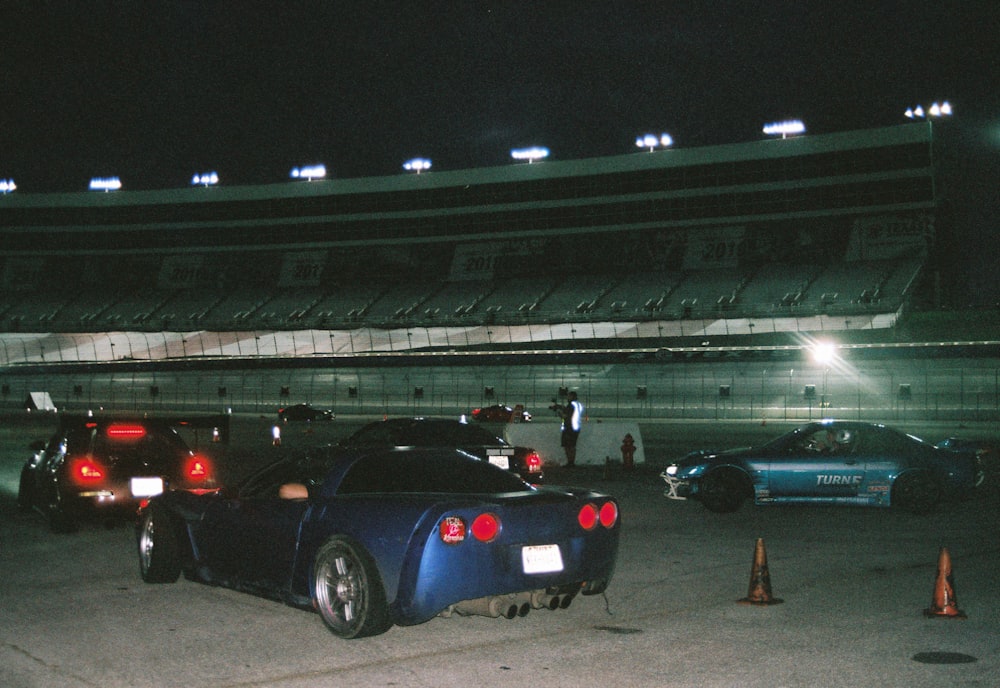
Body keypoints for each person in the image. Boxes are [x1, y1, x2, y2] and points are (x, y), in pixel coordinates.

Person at [559, 391, 584, 467]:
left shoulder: (570, 405)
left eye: (569, 396)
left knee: (568, 446)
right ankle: (571, 462)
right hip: (576, 428)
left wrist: (560, 414)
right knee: (572, 445)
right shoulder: (578, 405)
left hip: (569, 427)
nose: (567, 398)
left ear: (572, 397)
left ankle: (570, 462)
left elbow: (565, 416)